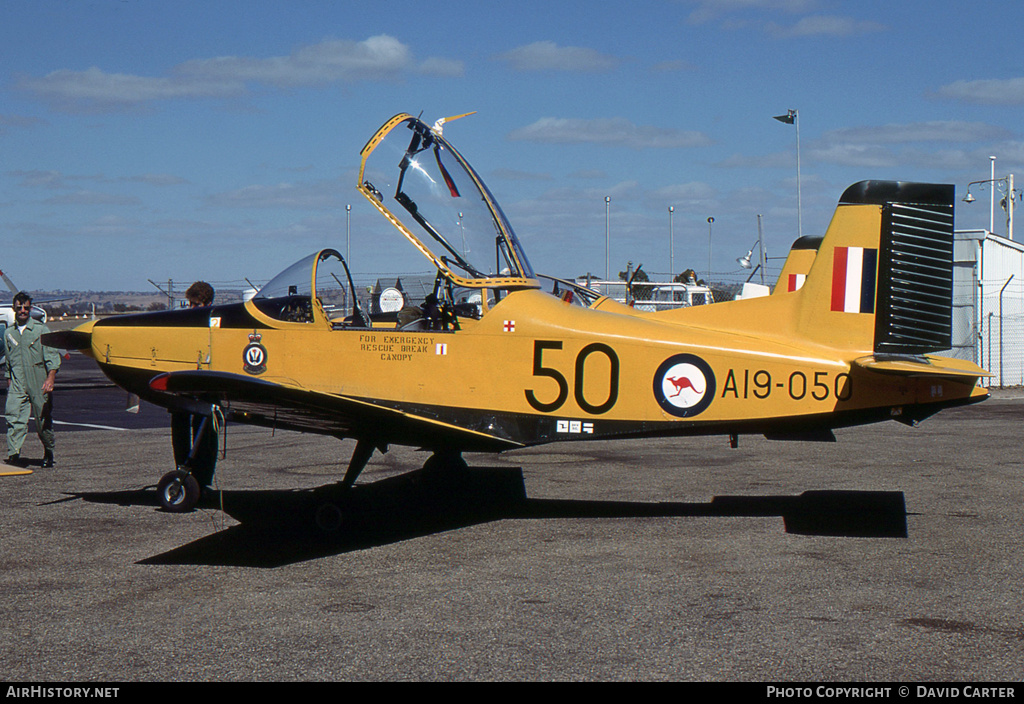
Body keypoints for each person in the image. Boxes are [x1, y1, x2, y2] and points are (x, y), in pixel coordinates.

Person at [5, 292, 60, 467]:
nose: (23, 311)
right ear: (14, 308)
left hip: (38, 379)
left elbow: (52, 356)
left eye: (26, 308)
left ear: (30, 309)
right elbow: (8, 360)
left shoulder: (40, 330)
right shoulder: (9, 333)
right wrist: (9, 381)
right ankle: (14, 454)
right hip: (17, 381)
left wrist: (50, 378)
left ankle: (49, 451)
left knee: (42, 420)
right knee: (14, 417)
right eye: (19, 307)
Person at [171, 282, 217, 488]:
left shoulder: (216, 325)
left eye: (195, 304)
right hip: (184, 383)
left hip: (207, 385)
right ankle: (183, 471)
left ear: (207, 303)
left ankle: (203, 479)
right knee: (179, 424)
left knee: (206, 429)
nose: (191, 308)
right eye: (189, 304)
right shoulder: (184, 322)